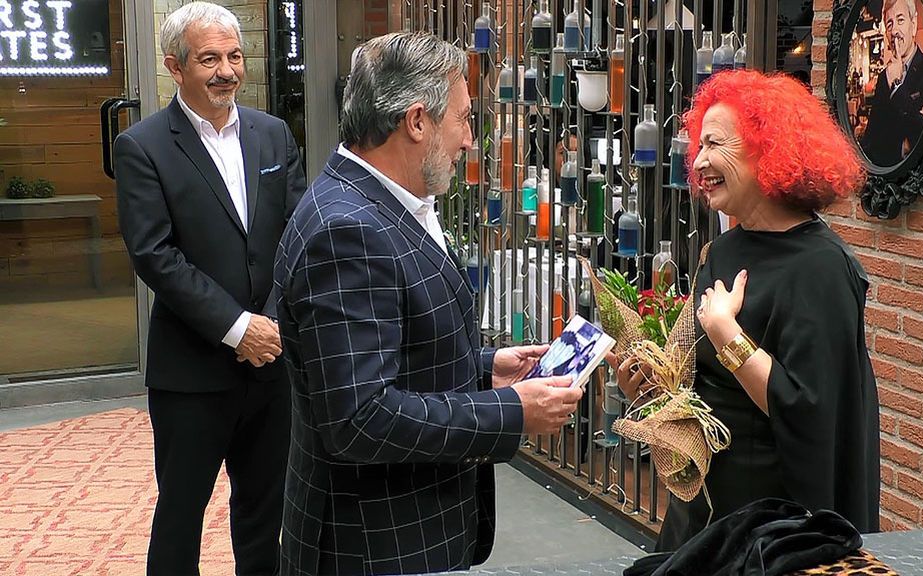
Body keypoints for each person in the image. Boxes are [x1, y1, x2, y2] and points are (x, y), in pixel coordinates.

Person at [274, 32, 584, 575]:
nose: (470, 140)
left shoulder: (383, 203)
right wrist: (511, 411)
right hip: (375, 543)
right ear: (416, 122)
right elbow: (360, 417)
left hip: (404, 528)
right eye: (464, 119)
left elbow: (392, 346)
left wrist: (485, 368)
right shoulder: (347, 230)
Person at [613, 70, 880, 551]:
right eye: (700, 145)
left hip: (773, 526)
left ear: (769, 149)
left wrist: (725, 333)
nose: (700, 161)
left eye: (716, 144)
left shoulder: (823, 269)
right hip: (704, 513)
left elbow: (810, 412)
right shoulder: (723, 251)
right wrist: (653, 386)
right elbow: (701, 380)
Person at [113, 3, 306, 574]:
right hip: (192, 373)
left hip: (273, 367)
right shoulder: (143, 146)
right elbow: (154, 254)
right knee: (180, 516)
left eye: (234, 56)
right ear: (174, 66)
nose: (226, 70)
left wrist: (268, 325)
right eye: (209, 59)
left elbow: (296, 237)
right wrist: (237, 327)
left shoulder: (273, 135)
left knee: (265, 513)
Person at [858, 0, 923, 167]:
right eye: (889, 24)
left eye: (900, 20)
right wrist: (903, 141)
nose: (894, 31)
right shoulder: (884, 76)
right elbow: (872, 139)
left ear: (913, 24)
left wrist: (897, 85)